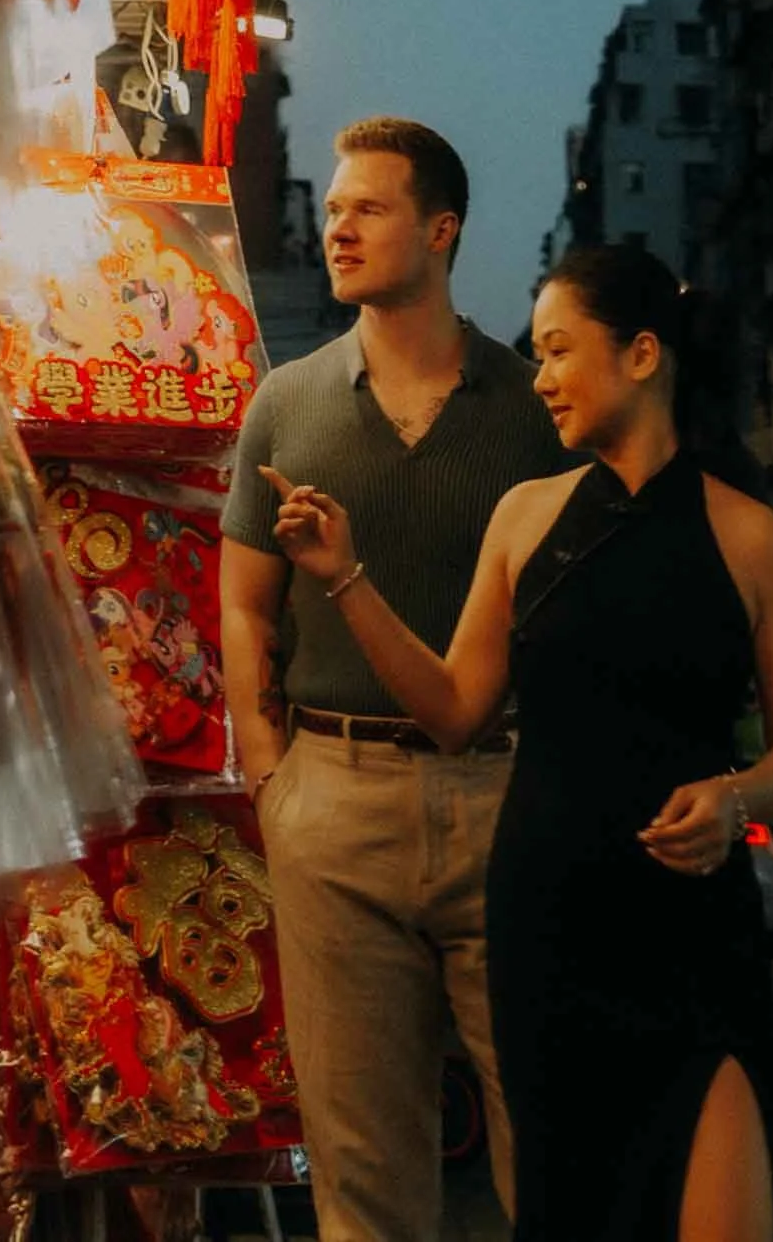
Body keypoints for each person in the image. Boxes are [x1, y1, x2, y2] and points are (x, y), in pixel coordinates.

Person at [265, 239, 773, 1242]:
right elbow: (450, 709)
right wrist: (342, 575)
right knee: (572, 1212)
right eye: (537, 352)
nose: (544, 378)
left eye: (561, 350)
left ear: (643, 354)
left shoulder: (750, 536)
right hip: (548, 917)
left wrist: (735, 796)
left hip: (692, 933)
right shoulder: (525, 517)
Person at [220, 118, 563, 1237]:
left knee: (552, 1131)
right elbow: (242, 603)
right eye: (331, 211)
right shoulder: (287, 402)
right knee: (360, 1159)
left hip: (507, 796)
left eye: (366, 208)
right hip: (334, 791)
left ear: (441, 229)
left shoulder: (531, 408)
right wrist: (270, 775)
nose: (337, 226)